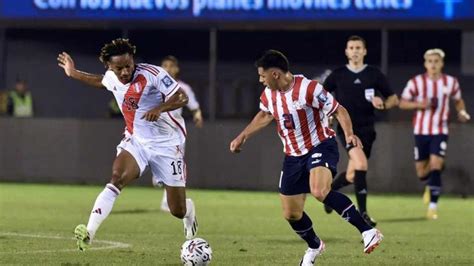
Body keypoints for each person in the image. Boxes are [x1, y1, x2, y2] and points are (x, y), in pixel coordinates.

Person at [230, 50, 383, 265]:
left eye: (262, 75)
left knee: (319, 191)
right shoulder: (268, 95)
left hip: (321, 145)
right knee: (291, 214)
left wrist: (349, 134)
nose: (260, 80)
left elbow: (339, 110)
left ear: (275, 74)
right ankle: (314, 245)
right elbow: (265, 114)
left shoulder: (309, 88)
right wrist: (243, 136)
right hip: (292, 155)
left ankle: (368, 231)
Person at [57, 38, 198, 251]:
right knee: (116, 178)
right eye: (119, 68)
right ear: (110, 67)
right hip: (137, 142)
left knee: (176, 209)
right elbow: (100, 81)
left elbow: (182, 97)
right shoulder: (112, 77)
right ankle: (89, 232)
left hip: (168, 145)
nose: (124, 72)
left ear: (133, 61)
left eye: (128, 66)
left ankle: (189, 211)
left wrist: (160, 108)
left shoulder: (153, 74)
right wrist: (73, 72)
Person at [323, 35, 399, 226]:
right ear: (346, 52)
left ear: (364, 51)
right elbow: (321, 97)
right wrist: (329, 115)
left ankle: (329, 192)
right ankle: (363, 214)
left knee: (352, 175)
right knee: (362, 165)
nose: (355, 51)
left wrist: (383, 103)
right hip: (348, 130)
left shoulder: (374, 74)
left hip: (367, 130)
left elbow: (393, 99)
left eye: (358, 48)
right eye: (351, 47)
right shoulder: (338, 74)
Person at [399, 48, 470, 220]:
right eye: (430, 61)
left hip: (440, 130)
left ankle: (432, 207)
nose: (433, 64)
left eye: (436, 61)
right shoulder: (416, 82)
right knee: (422, 173)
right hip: (421, 131)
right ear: (425, 64)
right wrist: (419, 104)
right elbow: (402, 103)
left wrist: (462, 112)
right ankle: (430, 184)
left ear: (442, 63)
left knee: (436, 164)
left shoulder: (450, 82)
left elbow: (458, 100)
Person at [159, 55, 203, 212]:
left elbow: (194, 106)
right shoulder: (154, 85)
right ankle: (157, 175)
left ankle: (167, 201)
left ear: (177, 69)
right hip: (155, 132)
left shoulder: (182, 87)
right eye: (165, 65)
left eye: (171, 66)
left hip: (175, 133)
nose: (168, 68)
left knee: (174, 167)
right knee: (158, 165)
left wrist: (197, 114)